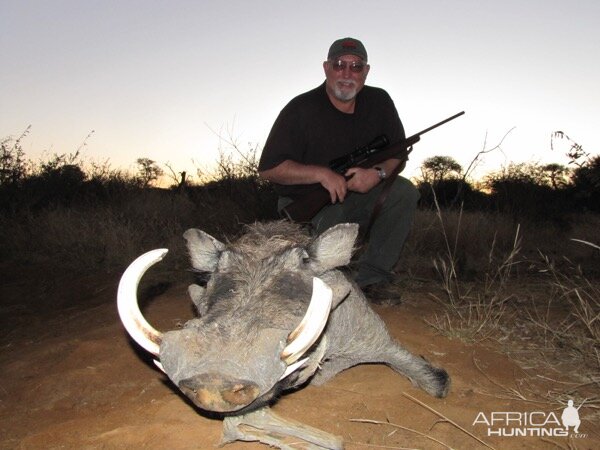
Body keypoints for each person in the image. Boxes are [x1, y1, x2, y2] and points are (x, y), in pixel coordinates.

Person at [258, 37, 419, 302]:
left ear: (366, 72)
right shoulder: (300, 108)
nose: (347, 74)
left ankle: (372, 280)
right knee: (331, 227)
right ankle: (325, 286)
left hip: (356, 195)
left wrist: (376, 174)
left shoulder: (379, 101)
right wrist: (322, 174)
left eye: (356, 67)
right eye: (339, 65)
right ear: (326, 68)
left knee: (403, 192)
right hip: (306, 202)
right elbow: (269, 169)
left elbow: (397, 154)